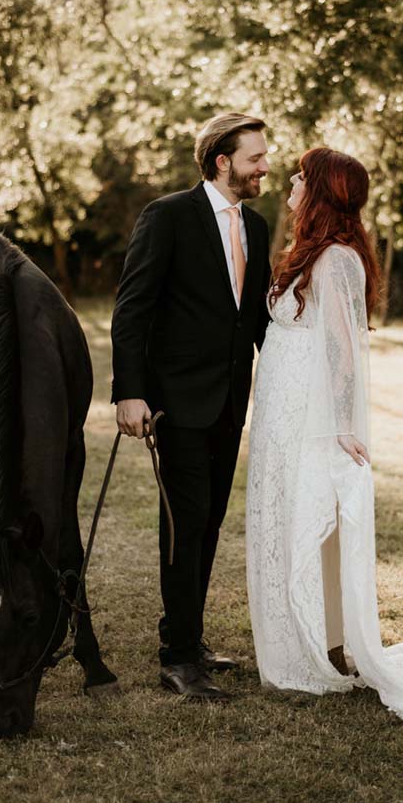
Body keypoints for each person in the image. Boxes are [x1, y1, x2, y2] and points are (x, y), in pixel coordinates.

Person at [246, 147, 403, 725]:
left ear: (322, 192)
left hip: (311, 417)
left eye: (302, 177)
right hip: (279, 413)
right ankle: (301, 639)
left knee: (308, 522)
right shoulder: (310, 252)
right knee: (282, 518)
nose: (292, 183)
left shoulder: (338, 260)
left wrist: (346, 425)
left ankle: (321, 645)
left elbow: (347, 354)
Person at [112, 113, 271, 701]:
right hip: (174, 404)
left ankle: (188, 636)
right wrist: (130, 392)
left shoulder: (254, 226)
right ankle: (177, 659)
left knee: (207, 524)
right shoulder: (168, 216)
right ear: (223, 161)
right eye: (255, 157)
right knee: (183, 527)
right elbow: (132, 309)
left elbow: (254, 320)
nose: (265, 166)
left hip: (230, 403)